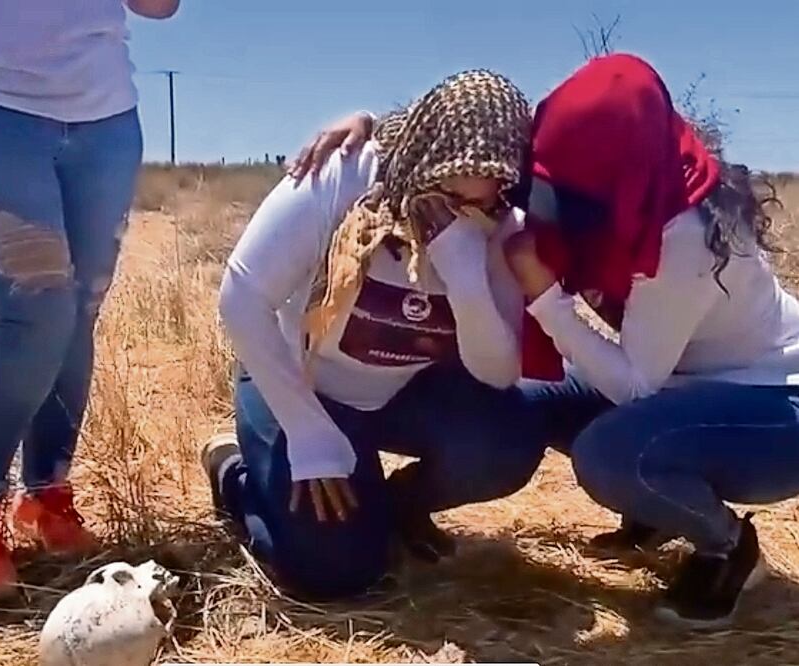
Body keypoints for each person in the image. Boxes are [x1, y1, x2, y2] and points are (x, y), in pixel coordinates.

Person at [289, 54, 799, 627]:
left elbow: (635, 384)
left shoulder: (686, 237)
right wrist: (373, 132)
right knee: (519, 409)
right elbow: (474, 140)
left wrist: (545, 298)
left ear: (607, 181)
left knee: (611, 453)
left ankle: (727, 547)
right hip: (678, 378)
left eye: (564, 190)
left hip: (770, 403)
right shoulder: (629, 167)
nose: (542, 196)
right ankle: (652, 509)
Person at [204, 70, 551, 600]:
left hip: (400, 392)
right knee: (335, 572)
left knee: (507, 442)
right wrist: (308, 432)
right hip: (300, 384)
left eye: (479, 200)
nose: (456, 213)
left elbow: (497, 372)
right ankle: (235, 475)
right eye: (445, 191)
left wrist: (466, 280)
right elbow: (242, 295)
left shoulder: (500, 223)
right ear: (424, 157)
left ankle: (393, 507)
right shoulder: (346, 174)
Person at [0, 0, 180, 600]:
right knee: (35, 313)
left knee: (77, 315)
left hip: (105, 119)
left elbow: (160, 7)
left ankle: (46, 495)